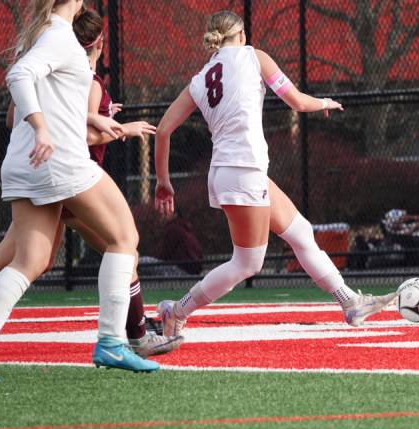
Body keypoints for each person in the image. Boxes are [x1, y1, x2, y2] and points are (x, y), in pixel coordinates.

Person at [153, 10, 397, 338]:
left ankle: (349, 301)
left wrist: (163, 181)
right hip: (244, 171)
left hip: (233, 171)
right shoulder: (254, 56)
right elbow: (295, 101)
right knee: (247, 264)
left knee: (301, 233)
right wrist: (324, 100)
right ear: (240, 35)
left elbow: (164, 129)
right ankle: (176, 311)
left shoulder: (202, 78)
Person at [0, 8, 180, 359]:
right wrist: (46, 127)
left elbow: (25, 106)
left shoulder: (40, 34)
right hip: (62, 167)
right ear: (98, 42)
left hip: (28, 166)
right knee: (124, 241)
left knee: (29, 260)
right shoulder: (61, 37)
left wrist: (87, 118)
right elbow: (21, 78)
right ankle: (122, 340)